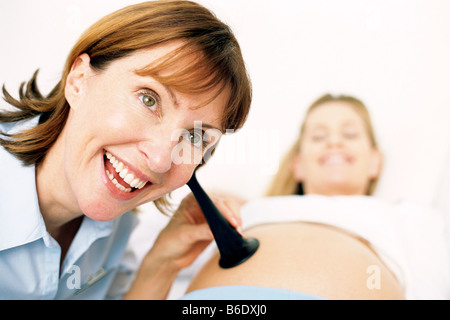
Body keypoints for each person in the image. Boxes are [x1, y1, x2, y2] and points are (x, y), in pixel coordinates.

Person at [0, 0, 251, 300]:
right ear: (79, 81)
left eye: (196, 137)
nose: (160, 160)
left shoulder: (117, 227)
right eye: (149, 100)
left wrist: (162, 262)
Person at [181, 94, 450, 300]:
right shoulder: (244, 211)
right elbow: (166, 264)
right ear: (297, 164)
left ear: (375, 162)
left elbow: (431, 287)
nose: (334, 142)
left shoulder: (408, 217)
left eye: (350, 134)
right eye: (319, 136)